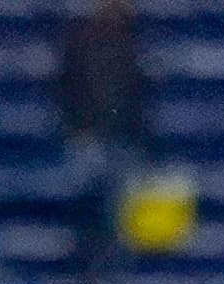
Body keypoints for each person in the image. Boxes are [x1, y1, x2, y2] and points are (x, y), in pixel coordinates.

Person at [54, 0, 151, 250]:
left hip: (123, 139)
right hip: (88, 137)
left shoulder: (134, 46)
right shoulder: (78, 43)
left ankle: (114, 260)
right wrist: (76, 130)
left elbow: (140, 96)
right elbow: (65, 90)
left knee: (121, 208)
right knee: (86, 203)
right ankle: (85, 254)